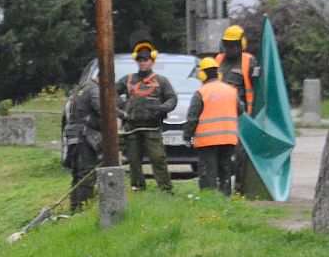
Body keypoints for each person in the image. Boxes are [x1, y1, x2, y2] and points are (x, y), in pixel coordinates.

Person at [115, 42, 177, 193]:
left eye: (146, 59)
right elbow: (110, 93)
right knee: (134, 161)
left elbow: (172, 98)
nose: (143, 62)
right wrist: (122, 106)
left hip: (153, 128)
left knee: (158, 159)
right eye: (140, 60)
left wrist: (163, 109)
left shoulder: (161, 81)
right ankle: (137, 187)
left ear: (152, 61)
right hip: (131, 128)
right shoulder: (127, 79)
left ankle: (165, 189)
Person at [184, 58, 241, 195]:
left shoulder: (201, 92)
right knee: (225, 170)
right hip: (228, 139)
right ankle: (225, 196)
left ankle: (208, 197)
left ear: (202, 74)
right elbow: (240, 110)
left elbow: (192, 117)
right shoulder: (231, 91)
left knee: (208, 171)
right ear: (218, 73)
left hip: (207, 140)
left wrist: (187, 136)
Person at [61, 72, 104, 211]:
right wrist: (122, 115)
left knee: (77, 174)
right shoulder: (94, 90)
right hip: (84, 138)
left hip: (72, 137)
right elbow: (103, 111)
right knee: (87, 175)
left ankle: (74, 209)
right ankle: (83, 209)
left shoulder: (79, 89)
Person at [216, 25, 256, 116]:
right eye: (226, 44)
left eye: (233, 45)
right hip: (220, 110)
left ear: (241, 44)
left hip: (241, 113)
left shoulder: (249, 60)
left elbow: (257, 88)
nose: (229, 48)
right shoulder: (219, 59)